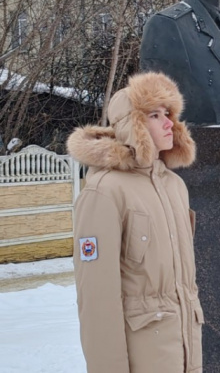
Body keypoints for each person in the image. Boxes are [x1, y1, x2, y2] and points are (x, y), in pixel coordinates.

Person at [67, 72, 203, 372]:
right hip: (145, 358)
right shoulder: (105, 191)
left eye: (169, 114)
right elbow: (97, 300)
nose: (169, 123)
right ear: (134, 125)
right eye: (155, 115)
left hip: (186, 352)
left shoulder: (175, 186)